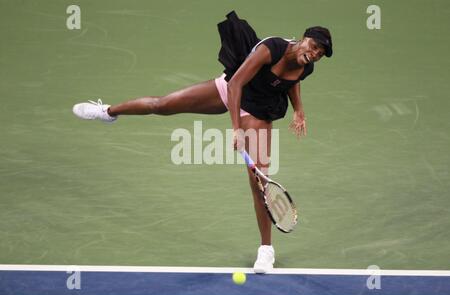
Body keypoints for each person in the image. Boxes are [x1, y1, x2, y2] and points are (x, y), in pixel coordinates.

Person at [72, 11, 333, 273]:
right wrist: (235, 129)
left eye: (320, 53)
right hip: (232, 90)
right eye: (314, 46)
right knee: (162, 105)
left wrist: (299, 110)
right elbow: (235, 85)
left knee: (260, 181)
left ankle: (266, 250)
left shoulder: (306, 65)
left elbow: (293, 81)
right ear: (304, 38)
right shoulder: (271, 48)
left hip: (258, 110)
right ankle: (107, 112)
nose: (315, 54)